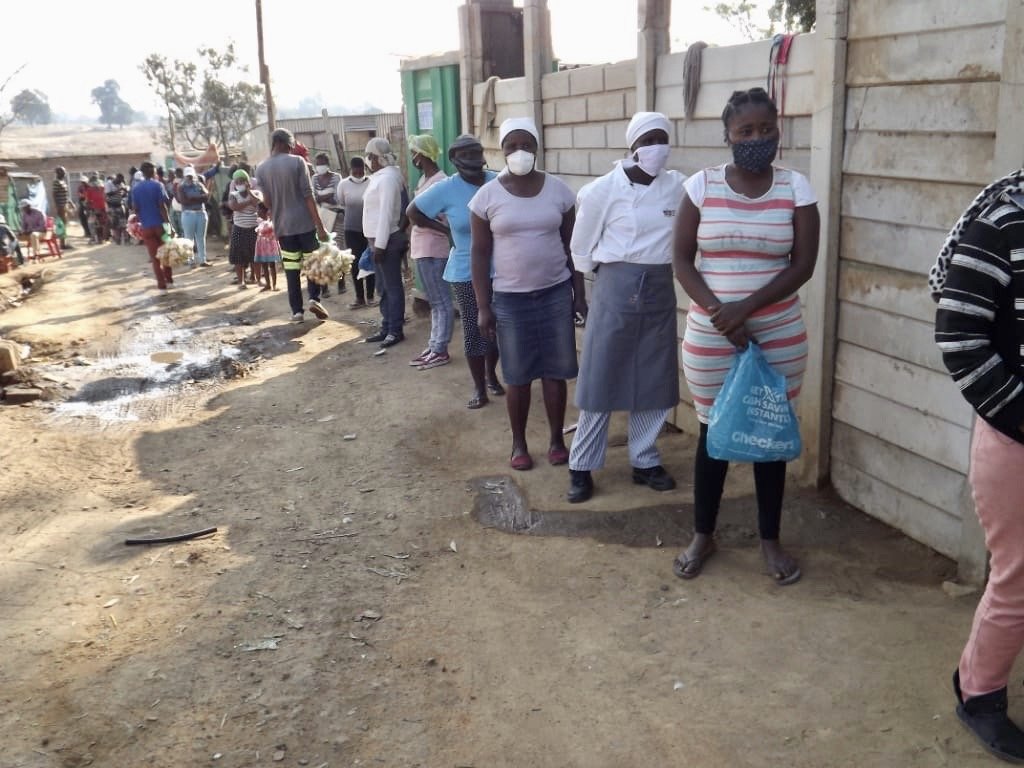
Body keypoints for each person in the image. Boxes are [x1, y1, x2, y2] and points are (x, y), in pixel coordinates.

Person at [671, 87, 819, 584]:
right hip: (712, 336)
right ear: (728, 136)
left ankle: (770, 539)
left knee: (769, 430)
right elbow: (681, 260)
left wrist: (746, 311)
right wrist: (720, 315)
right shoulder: (701, 186)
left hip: (777, 333)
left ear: (778, 130)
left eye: (766, 129)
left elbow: (803, 265)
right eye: (746, 131)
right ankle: (702, 533)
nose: (758, 138)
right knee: (712, 430)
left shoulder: (797, 187)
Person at [930, 167, 1024, 762]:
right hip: (1015, 438)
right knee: (1018, 580)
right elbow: (961, 337)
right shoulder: (1005, 221)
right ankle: (979, 692)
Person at [566, 111, 684, 503]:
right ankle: (581, 465)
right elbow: (581, 247)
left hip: (660, 289)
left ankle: (645, 460)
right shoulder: (602, 190)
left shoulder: (678, 188)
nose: (655, 148)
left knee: (654, 376)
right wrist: (584, 294)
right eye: (647, 140)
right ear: (631, 146)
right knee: (602, 375)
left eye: (661, 139)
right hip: (615, 287)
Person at [469, 117, 587, 470]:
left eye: (526, 145)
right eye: (512, 146)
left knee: (555, 371)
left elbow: (573, 247)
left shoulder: (560, 192)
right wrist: (482, 306)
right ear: (502, 151)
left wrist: (578, 295)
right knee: (517, 376)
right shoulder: (485, 197)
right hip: (509, 299)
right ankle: (518, 444)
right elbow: (479, 253)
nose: (519, 152)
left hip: (554, 294)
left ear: (536, 148)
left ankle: (555, 440)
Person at [409, 134, 504, 406]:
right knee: (475, 331)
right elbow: (413, 212)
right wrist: (445, 230)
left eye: (477, 152)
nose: (473, 159)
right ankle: (479, 388)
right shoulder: (445, 189)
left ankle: (491, 375)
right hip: (465, 271)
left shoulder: (498, 181)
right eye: (466, 154)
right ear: (453, 159)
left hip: (502, 269)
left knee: (496, 329)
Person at [255, 128, 330, 323]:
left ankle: (297, 312)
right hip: (305, 224)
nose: (292, 149)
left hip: (283, 228)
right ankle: (314, 298)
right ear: (286, 143)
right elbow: (308, 195)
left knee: (291, 269)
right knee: (312, 263)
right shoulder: (298, 162)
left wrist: (277, 212)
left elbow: (267, 202)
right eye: (291, 146)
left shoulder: (261, 168)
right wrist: (320, 226)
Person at [406, 134, 453, 369]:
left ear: (422, 154)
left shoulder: (439, 182)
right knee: (435, 301)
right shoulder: (426, 179)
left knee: (442, 301)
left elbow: (428, 218)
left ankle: (440, 349)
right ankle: (434, 344)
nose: (412, 156)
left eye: (414, 152)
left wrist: (422, 223)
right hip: (424, 247)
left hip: (434, 248)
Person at [361, 137, 408, 347]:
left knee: (392, 287)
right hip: (378, 241)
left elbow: (386, 214)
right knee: (382, 287)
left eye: (369, 156)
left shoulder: (388, 178)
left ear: (376, 158)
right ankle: (386, 325)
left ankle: (395, 330)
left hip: (386, 240)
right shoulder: (382, 176)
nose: (367, 160)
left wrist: (379, 245)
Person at [130, 162, 174, 290]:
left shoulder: (136, 189)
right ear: (153, 172)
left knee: (155, 258)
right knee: (165, 254)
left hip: (146, 227)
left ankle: (161, 284)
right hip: (160, 226)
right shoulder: (158, 185)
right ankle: (169, 280)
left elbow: (135, 209)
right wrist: (169, 225)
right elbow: (162, 206)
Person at [337, 157, 374, 308]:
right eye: (355, 172)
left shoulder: (371, 182)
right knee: (356, 262)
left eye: (361, 172)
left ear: (365, 170)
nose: (358, 174)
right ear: (351, 170)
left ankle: (371, 296)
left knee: (370, 260)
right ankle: (360, 297)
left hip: (369, 228)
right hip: (351, 228)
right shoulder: (343, 184)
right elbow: (342, 202)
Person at [312, 153, 345, 296]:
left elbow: (337, 198)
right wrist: (327, 196)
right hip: (320, 219)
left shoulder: (337, 177)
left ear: (327, 163)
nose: (320, 166)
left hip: (337, 217)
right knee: (322, 253)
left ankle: (341, 283)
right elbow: (313, 198)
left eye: (322, 163)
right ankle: (324, 287)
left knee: (337, 252)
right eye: (318, 163)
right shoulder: (313, 178)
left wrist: (321, 197)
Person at [227, 169, 261, 289]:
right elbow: (234, 207)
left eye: (242, 181)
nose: (240, 183)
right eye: (237, 181)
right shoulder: (233, 195)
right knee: (238, 258)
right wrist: (248, 202)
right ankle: (241, 281)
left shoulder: (255, 192)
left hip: (253, 229)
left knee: (255, 257)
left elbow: (258, 203)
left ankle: (257, 279)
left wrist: (249, 192)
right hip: (239, 229)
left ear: (248, 182)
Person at [178, 167, 210, 267]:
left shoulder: (199, 184)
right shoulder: (181, 187)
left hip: (200, 213)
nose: (189, 178)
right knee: (189, 238)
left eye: (191, 176)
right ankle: (190, 260)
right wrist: (199, 198)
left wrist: (193, 198)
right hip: (188, 214)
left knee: (201, 238)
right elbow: (183, 201)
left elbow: (206, 196)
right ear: (185, 176)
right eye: (188, 176)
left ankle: (202, 260)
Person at [254, 202, 281, 291]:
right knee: (264, 265)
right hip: (262, 245)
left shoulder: (271, 222)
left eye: (258, 209)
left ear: (263, 210)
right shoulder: (259, 221)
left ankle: (274, 285)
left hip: (270, 246)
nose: (257, 211)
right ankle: (268, 284)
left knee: (272, 265)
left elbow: (273, 233)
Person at [52, 167, 72, 250]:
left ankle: (64, 242)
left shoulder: (63, 182)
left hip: (65, 205)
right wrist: (57, 206)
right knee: (61, 225)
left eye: (65, 172)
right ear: (58, 173)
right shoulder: (56, 182)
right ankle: (62, 244)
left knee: (65, 224)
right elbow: (54, 194)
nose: (64, 173)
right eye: (63, 172)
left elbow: (66, 195)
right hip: (61, 206)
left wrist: (71, 203)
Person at [83, 173, 108, 243]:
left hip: (94, 209)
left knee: (92, 224)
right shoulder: (102, 188)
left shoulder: (90, 190)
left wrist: (87, 208)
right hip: (102, 208)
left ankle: (94, 238)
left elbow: (87, 201)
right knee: (102, 224)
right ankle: (102, 239)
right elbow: (105, 198)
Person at [76, 174, 93, 241]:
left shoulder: (90, 187)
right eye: (82, 182)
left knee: (89, 219)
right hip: (82, 204)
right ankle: (86, 232)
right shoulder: (80, 187)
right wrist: (83, 197)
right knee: (82, 218)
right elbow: (80, 195)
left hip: (88, 205)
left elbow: (89, 196)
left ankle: (90, 233)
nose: (83, 183)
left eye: (84, 182)